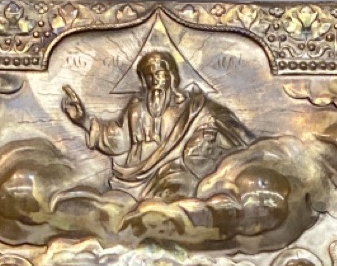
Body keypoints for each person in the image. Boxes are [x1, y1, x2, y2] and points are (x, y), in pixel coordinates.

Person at [61, 50, 253, 201]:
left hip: (174, 173)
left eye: (159, 73)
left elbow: (212, 120)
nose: (155, 80)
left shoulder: (190, 107)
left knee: (174, 196)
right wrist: (83, 120)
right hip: (134, 178)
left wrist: (206, 134)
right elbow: (119, 139)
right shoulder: (136, 108)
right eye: (149, 76)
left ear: (171, 76)